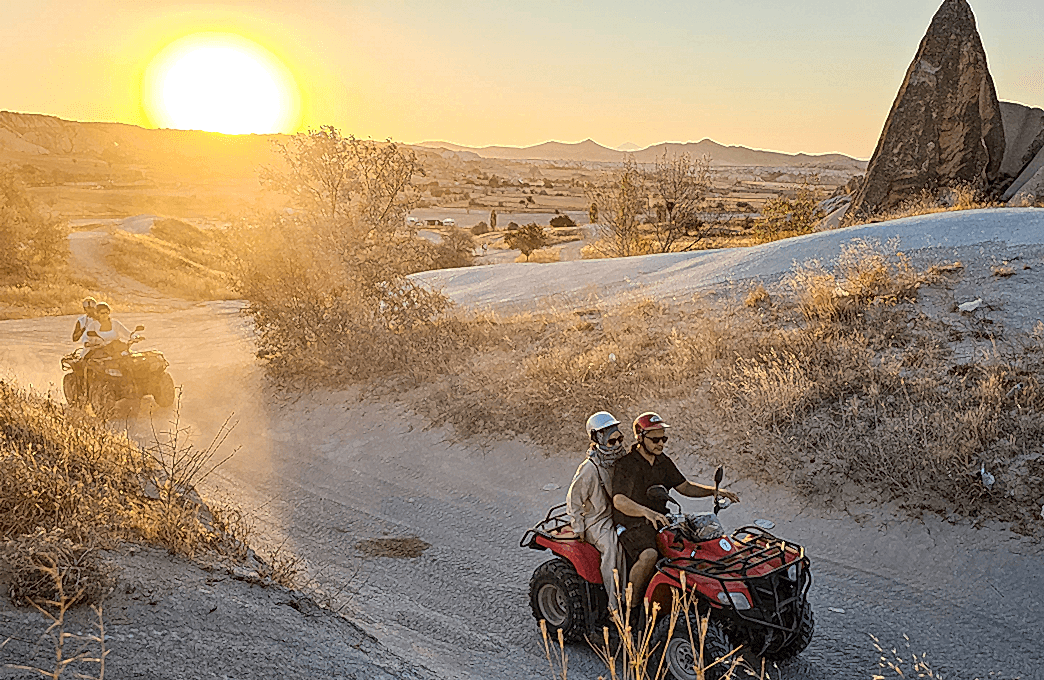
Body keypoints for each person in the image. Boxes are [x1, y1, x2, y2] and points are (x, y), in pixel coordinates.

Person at [612, 412, 740, 603]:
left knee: (696, 543)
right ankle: (630, 605)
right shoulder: (627, 464)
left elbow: (684, 486)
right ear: (640, 437)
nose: (661, 444)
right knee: (649, 555)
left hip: (661, 519)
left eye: (664, 438)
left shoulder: (662, 460)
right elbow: (619, 500)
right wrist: (646, 512)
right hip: (632, 523)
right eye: (655, 439)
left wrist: (714, 492)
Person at [565, 411, 628, 614]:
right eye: (611, 441)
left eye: (619, 439)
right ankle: (615, 607)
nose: (617, 445)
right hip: (598, 520)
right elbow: (574, 499)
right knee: (612, 547)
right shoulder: (589, 469)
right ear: (597, 438)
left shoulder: (622, 460)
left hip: (621, 513)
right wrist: (578, 526)